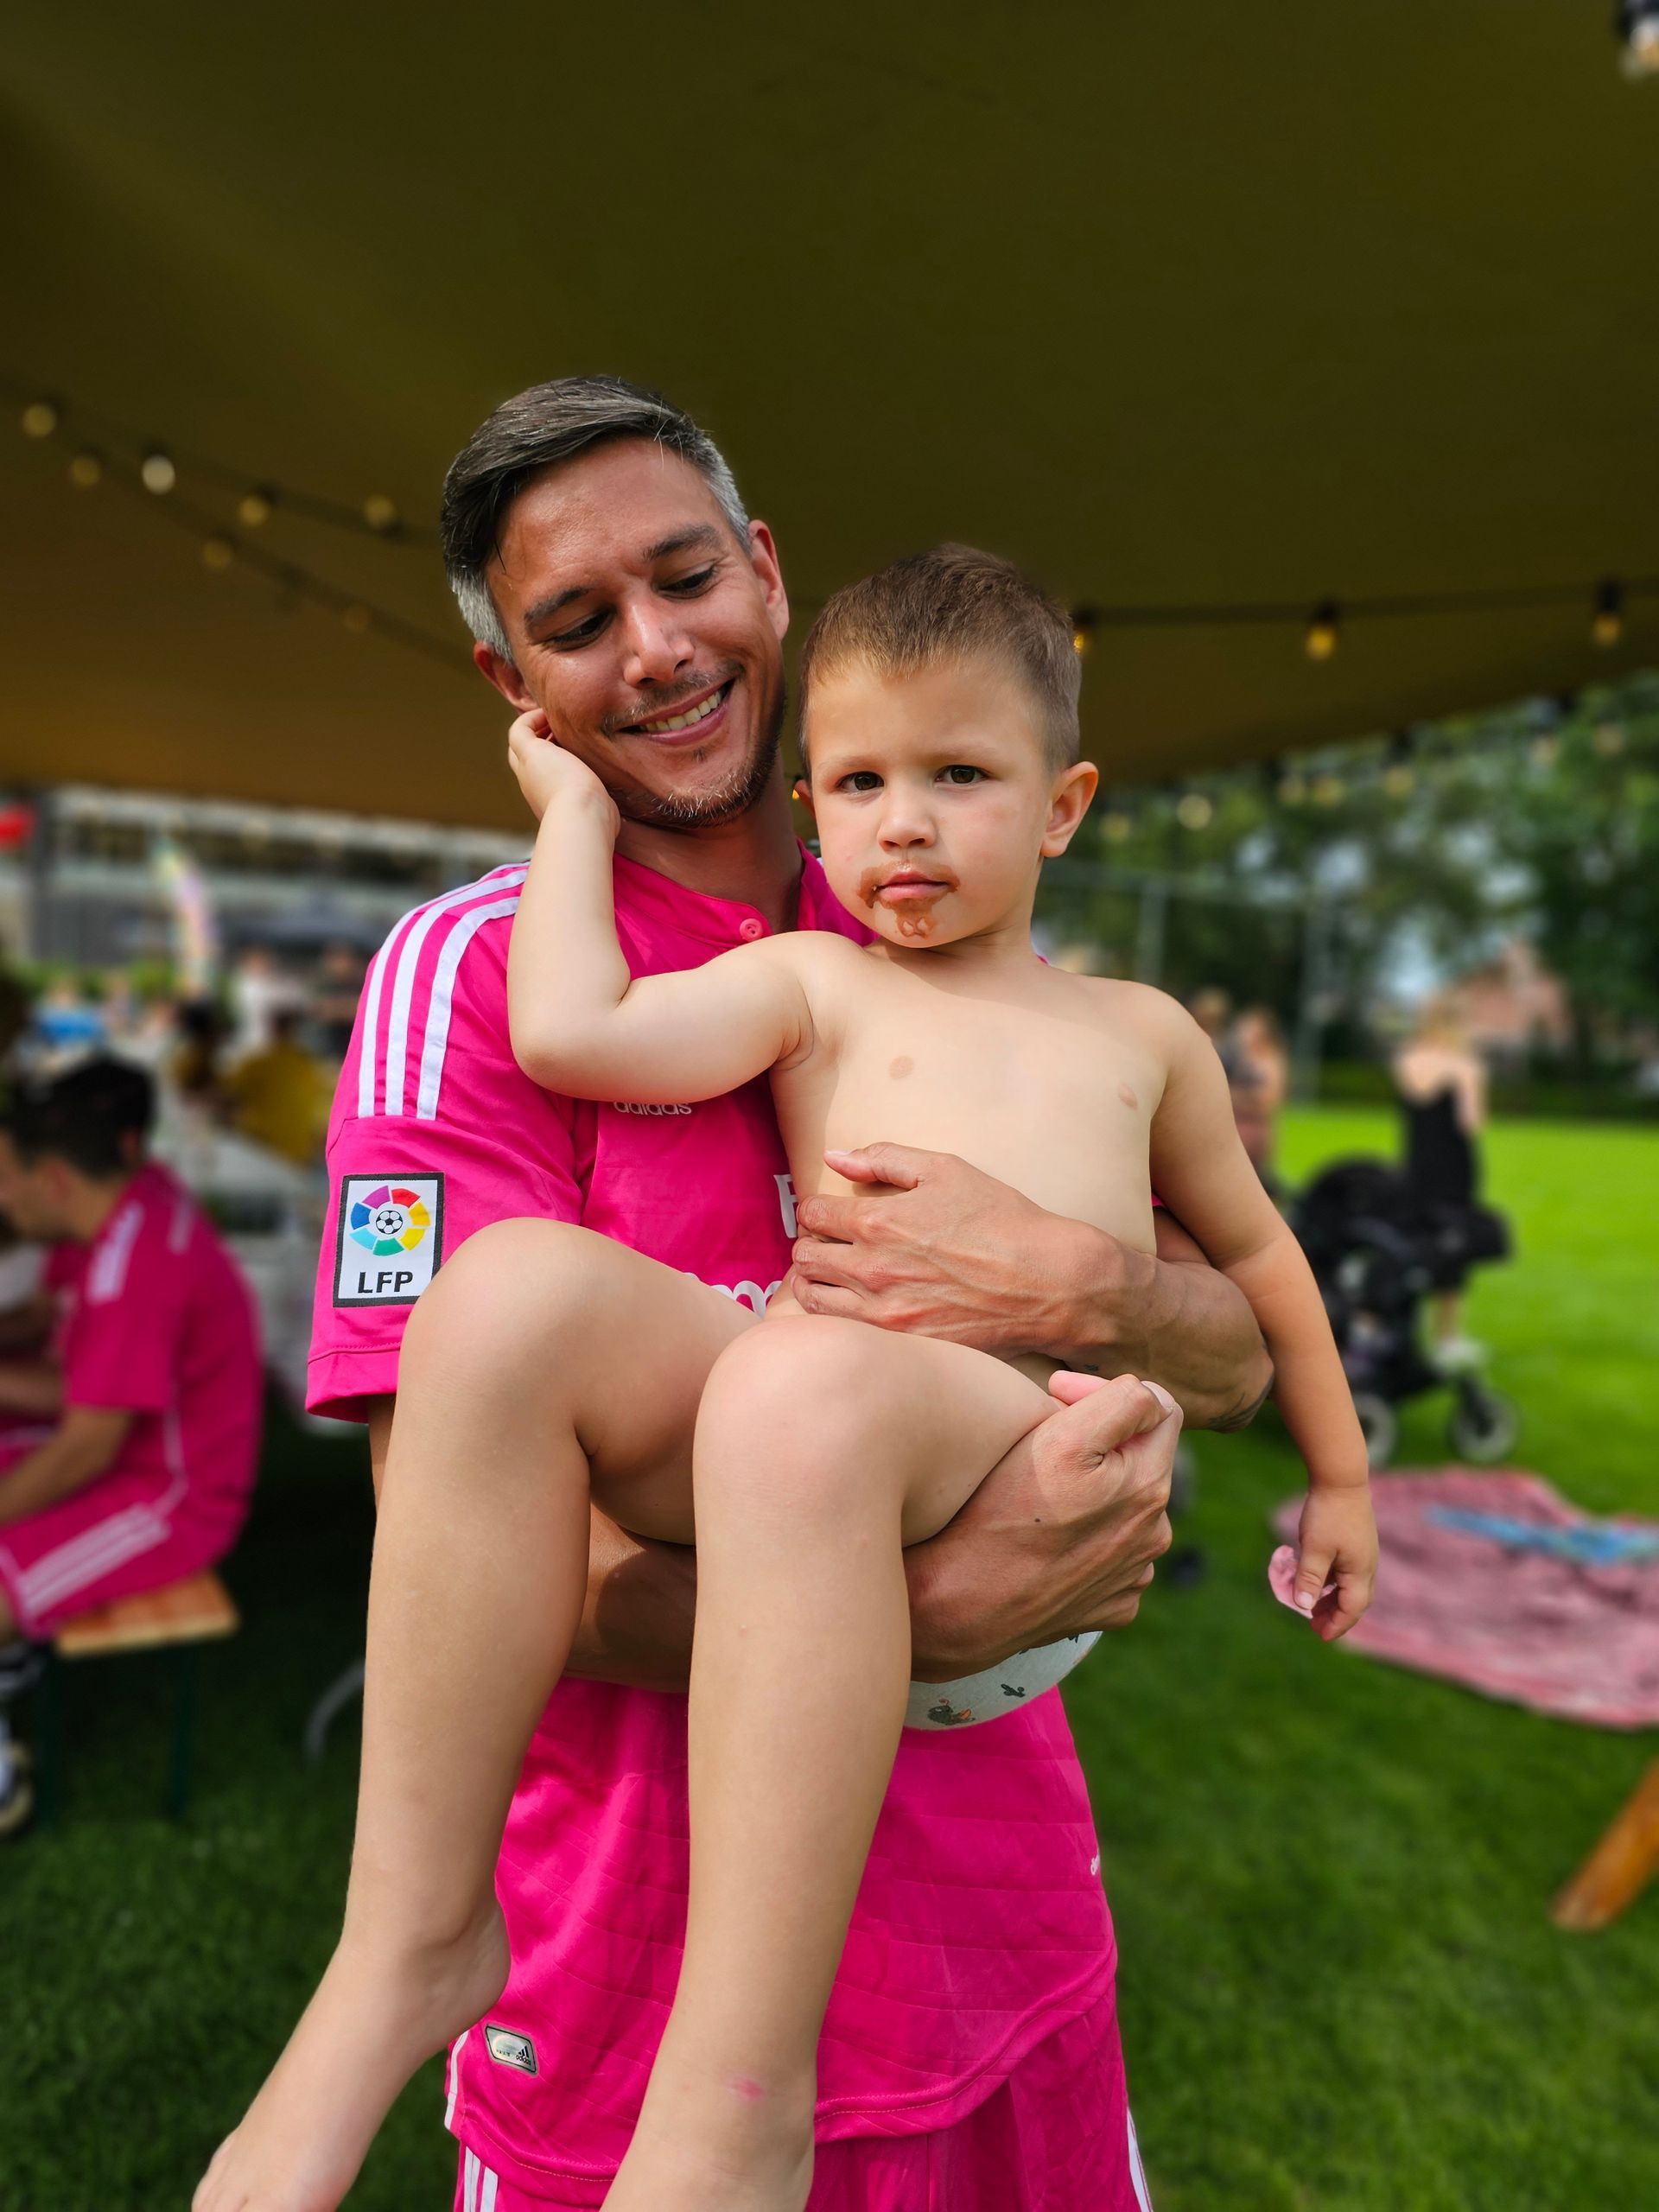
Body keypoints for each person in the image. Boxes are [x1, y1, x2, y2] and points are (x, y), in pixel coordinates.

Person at [203, 379, 1274, 2212]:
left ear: (768, 578)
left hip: (998, 1940)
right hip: (628, 1999)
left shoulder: (942, 901)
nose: (657, 647)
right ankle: (408, 1968)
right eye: (576, 622)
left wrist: (1101, 1286)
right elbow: (452, 1537)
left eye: (685, 575)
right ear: (514, 694)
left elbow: (1240, 1339)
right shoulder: (478, 979)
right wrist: (924, 1606)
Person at [0, 1058, 263, 1828]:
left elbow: (89, 1444)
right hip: (130, 1449)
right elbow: (80, 1380)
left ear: (52, 1179)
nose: (2, 1198)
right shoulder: (126, 1211)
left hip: (175, 1498)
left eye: (6, 1179)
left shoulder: (133, 1267)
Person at [1392, 996, 1488, 1363]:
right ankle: (1447, 1337)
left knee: (1415, 1243)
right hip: (1454, 1168)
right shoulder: (1463, 1065)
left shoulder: (1407, 1059)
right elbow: (1472, 1122)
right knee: (1453, 1246)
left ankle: (1405, 1330)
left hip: (1416, 1165)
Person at [222, 1007, 330, 1167]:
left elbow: (226, 1095)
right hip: (298, 1151)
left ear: (273, 1029)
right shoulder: (310, 1066)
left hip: (261, 1147)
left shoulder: (258, 1064)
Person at [1227, 1006, 1289, 1184]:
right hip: (1236, 1131)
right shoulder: (1242, 1058)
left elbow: (1268, 1100)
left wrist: (1232, 1097)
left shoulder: (1270, 1060)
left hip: (1254, 1131)